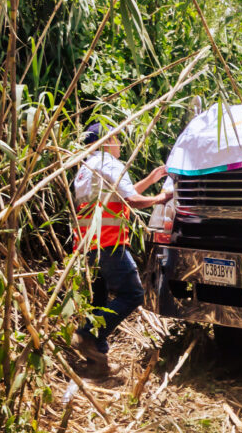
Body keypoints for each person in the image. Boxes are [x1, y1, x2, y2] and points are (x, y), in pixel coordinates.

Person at [72, 122, 172, 377]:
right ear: (106, 142)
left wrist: (150, 180)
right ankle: (86, 336)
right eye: (115, 138)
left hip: (87, 245)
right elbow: (131, 200)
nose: (119, 143)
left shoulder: (85, 168)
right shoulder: (111, 164)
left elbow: (120, 195)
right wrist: (161, 198)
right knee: (133, 294)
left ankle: (97, 363)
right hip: (108, 242)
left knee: (99, 302)